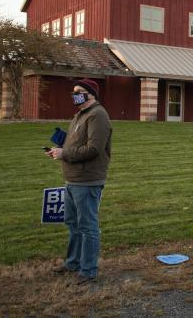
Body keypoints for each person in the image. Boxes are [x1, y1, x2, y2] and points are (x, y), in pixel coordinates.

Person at [45, 78, 112, 285]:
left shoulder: (98, 115)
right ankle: (73, 262)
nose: (75, 94)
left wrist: (64, 153)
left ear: (91, 94)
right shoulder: (79, 116)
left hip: (87, 180)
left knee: (87, 226)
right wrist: (61, 144)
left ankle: (88, 270)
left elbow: (93, 149)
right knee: (73, 224)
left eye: (80, 91)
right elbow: (78, 142)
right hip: (72, 179)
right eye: (74, 91)